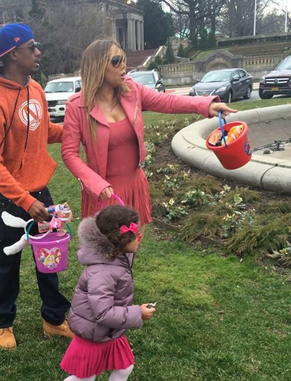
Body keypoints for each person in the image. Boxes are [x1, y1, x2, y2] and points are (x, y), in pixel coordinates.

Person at [61, 38, 237, 236]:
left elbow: (168, 102)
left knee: (131, 250)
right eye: (116, 61)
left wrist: (205, 105)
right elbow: (69, 154)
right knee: (107, 253)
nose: (124, 65)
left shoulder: (132, 90)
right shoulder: (77, 106)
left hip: (135, 186)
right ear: (97, 66)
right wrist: (95, 184)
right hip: (104, 193)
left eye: (124, 59)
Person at [0, 22, 73, 350]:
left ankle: (54, 319)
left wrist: (76, 131)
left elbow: (44, 131)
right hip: (10, 199)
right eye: (32, 47)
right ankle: (2, 322)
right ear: (13, 54)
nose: (38, 52)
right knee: (9, 261)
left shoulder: (36, 89)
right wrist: (24, 200)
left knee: (50, 258)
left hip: (40, 190)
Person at [40, 204, 156, 381]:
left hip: (110, 332)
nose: (140, 239)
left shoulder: (118, 257)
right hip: (94, 333)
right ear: (120, 242)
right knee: (86, 377)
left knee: (125, 367)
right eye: (137, 235)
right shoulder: (102, 272)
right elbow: (102, 313)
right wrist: (137, 313)